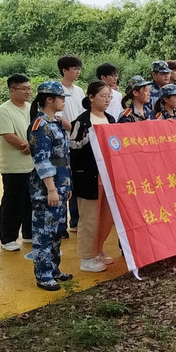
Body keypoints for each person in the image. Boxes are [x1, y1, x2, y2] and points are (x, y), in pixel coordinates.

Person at [27, 81, 73, 291]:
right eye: (60, 98)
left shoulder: (56, 123)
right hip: (46, 188)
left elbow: (63, 158)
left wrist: (66, 186)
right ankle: (43, 275)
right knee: (44, 232)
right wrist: (52, 189)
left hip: (61, 184)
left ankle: (54, 270)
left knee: (57, 231)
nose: (63, 101)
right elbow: (42, 160)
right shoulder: (40, 125)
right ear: (49, 99)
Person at [70, 81, 117, 272]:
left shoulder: (111, 119)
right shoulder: (82, 121)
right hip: (88, 176)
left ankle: (98, 249)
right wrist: (91, 138)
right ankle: (87, 257)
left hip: (108, 175)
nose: (107, 100)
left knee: (106, 217)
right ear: (91, 98)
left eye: (109, 97)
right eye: (102, 96)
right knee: (89, 218)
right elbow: (73, 148)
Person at [0, 74, 33, 252]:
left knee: (31, 201)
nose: (28, 92)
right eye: (23, 89)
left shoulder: (31, 108)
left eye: (29, 88)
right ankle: (8, 238)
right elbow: (8, 135)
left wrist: (33, 146)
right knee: (13, 202)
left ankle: (29, 233)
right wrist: (26, 146)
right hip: (14, 166)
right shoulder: (4, 110)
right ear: (12, 90)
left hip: (32, 164)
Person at [57, 55, 84, 237]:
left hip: (78, 142)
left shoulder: (79, 91)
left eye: (78, 69)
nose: (77, 72)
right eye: (74, 68)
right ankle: (61, 226)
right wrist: (73, 129)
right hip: (63, 142)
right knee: (63, 182)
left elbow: (83, 113)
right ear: (64, 70)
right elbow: (57, 116)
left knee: (77, 181)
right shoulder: (57, 90)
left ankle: (76, 221)